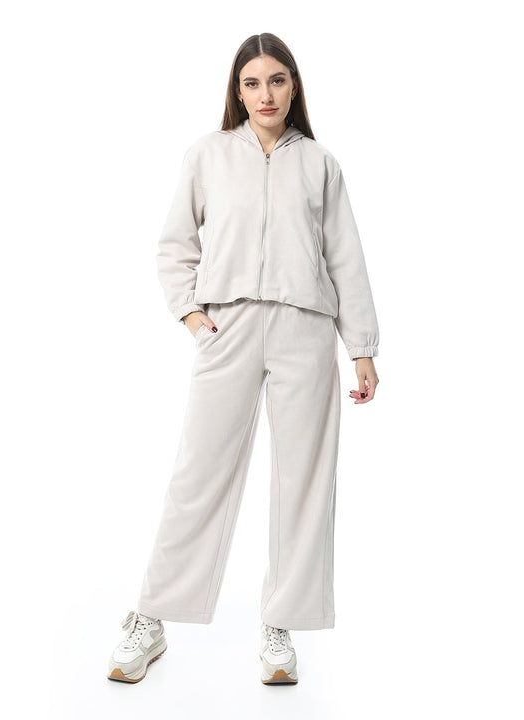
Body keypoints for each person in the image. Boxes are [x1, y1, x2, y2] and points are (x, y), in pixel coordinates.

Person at [107, 32, 380, 686]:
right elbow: (174, 245)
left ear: (294, 86)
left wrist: (362, 348)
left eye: (277, 80)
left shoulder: (319, 164)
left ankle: (279, 627)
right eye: (253, 83)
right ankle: (150, 617)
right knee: (198, 474)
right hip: (227, 327)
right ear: (237, 89)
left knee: (303, 482)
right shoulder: (206, 155)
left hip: (304, 330)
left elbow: (345, 257)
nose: (266, 94)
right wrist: (191, 314)